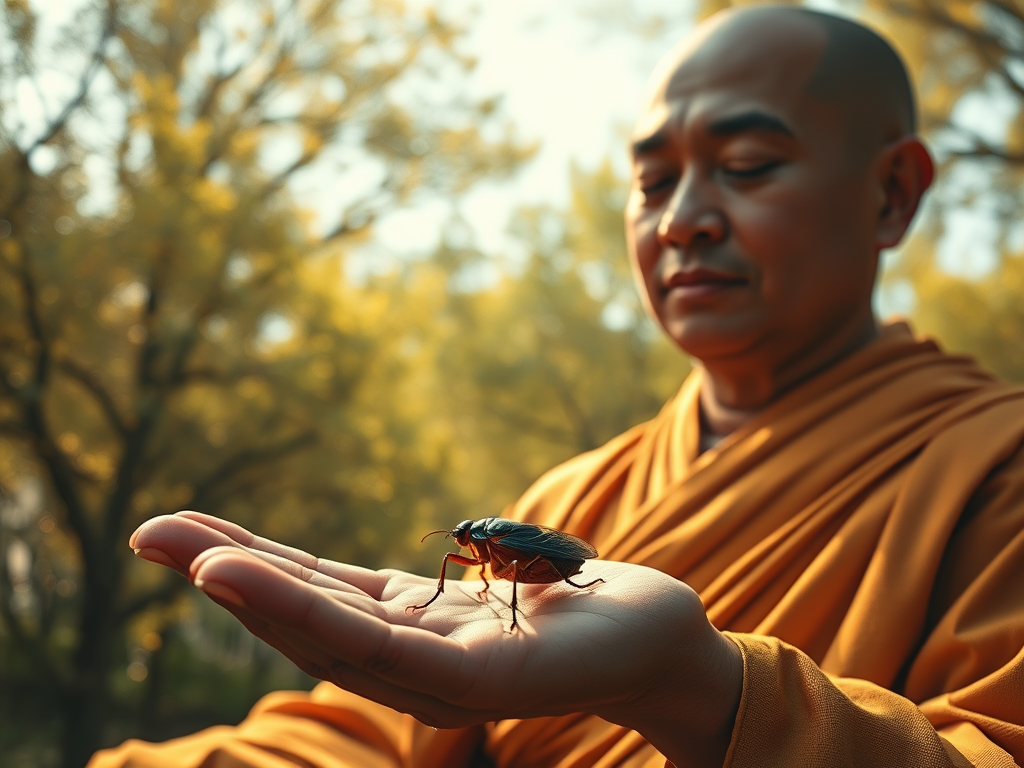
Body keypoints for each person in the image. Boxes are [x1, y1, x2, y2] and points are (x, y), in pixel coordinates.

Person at [90, 6, 1024, 768]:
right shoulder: (577, 487)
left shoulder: (996, 465)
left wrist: (706, 693)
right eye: (653, 183)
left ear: (892, 194)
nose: (684, 221)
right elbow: (384, 737)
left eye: (747, 167)